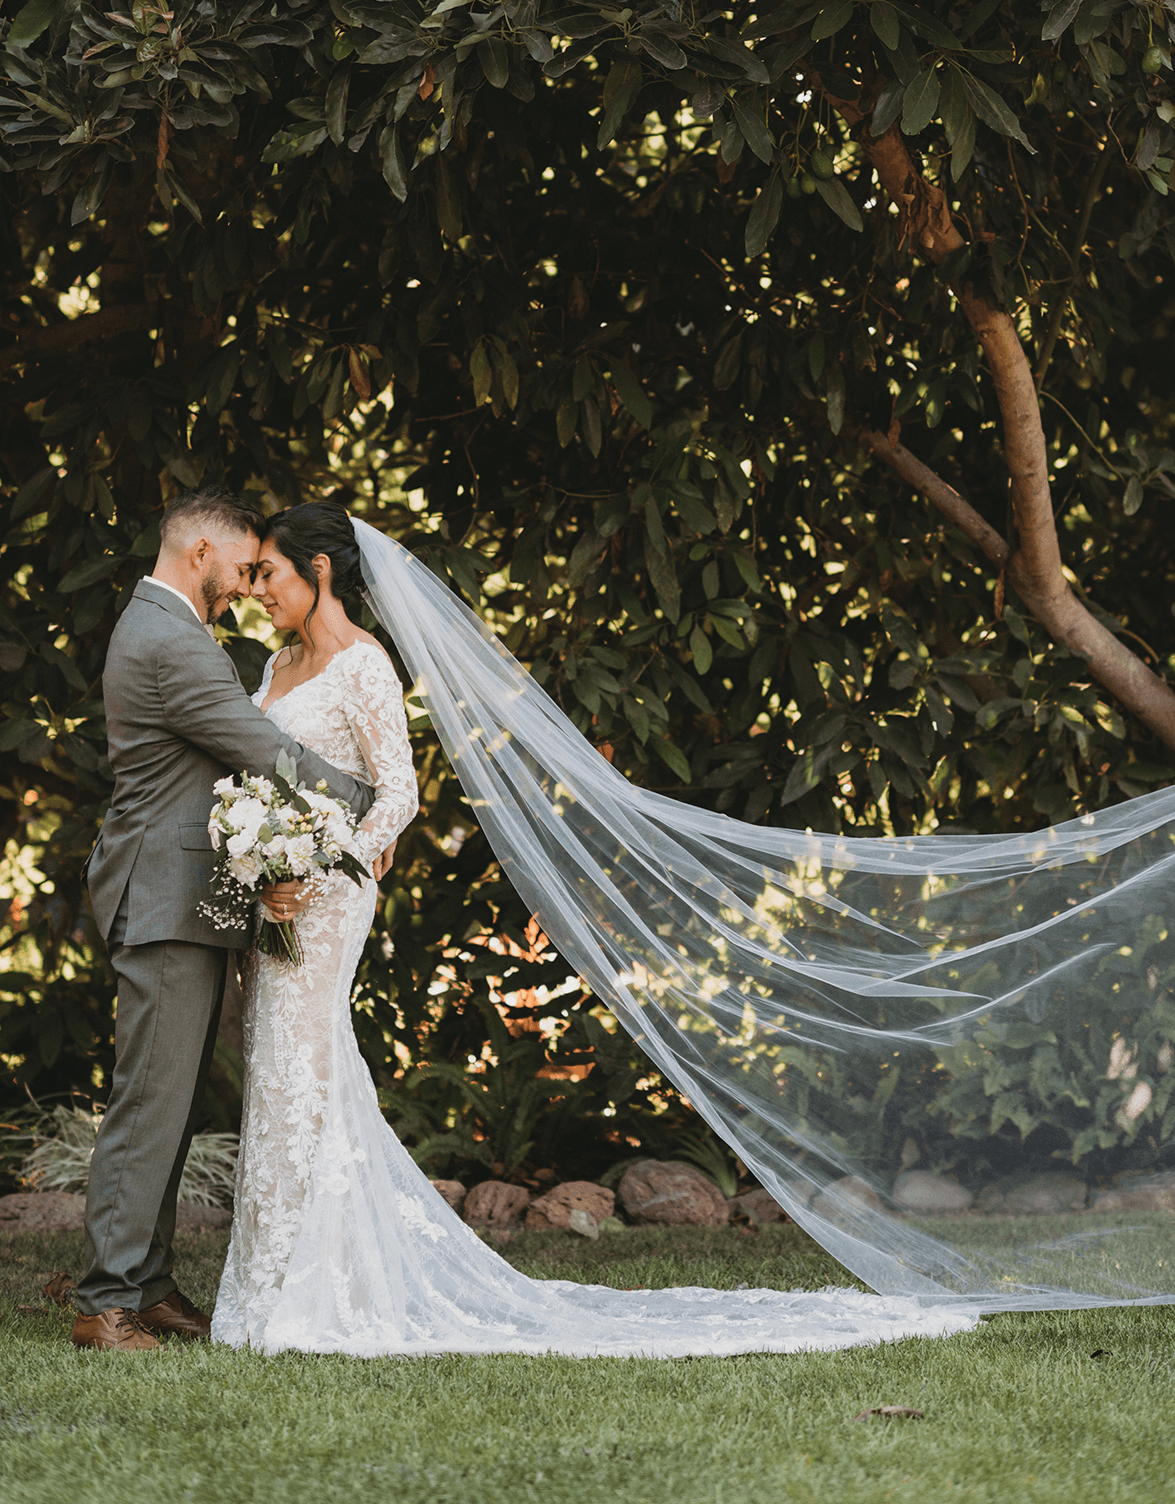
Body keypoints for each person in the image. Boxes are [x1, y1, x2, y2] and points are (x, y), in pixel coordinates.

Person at [212, 502, 978, 1356]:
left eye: (268, 572)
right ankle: (284, 1278)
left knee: (301, 1062)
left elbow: (399, 793)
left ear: (319, 569)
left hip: (327, 894)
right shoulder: (277, 663)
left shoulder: (364, 665)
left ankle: (313, 1289)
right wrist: (262, 853)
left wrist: (320, 865)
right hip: (276, 891)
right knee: (278, 1062)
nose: (257, 589)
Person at [75, 490, 377, 1353]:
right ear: (200, 550)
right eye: (243, 567)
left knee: (169, 1105)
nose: (248, 585)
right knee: (149, 1104)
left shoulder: (163, 626)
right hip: (164, 899)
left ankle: (148, 1283)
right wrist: (366, 801)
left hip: (183, 899)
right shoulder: (171, 639)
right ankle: (105, 1302)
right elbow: (261, 747)